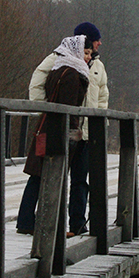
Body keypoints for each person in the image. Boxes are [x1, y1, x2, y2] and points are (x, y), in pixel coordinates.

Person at [26, 22, 109, 236]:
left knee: (80, 180)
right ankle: (28, 220)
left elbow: (102, 97)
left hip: (85, 132)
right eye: (96, 40)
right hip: (60, 128)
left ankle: (77, 224)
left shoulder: (98, 67)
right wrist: (47, 111)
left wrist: (97, 122)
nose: (99, 44)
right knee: (44, 173)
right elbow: (37, 83)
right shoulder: (58, 58)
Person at [15, 35, 92, 235]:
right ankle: (49, 224)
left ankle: (25, 221)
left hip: (46, 126)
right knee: (53, 176)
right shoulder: (72, 75)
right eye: (85, 53)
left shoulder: (58, 69)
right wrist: (75, 132)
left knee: (38, 175)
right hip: (58, 131)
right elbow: (68, 107)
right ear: (75, 51)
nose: (87, 58)